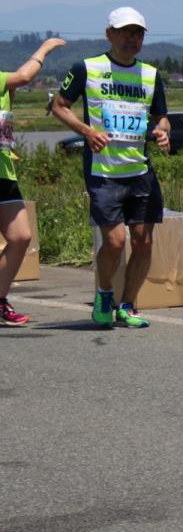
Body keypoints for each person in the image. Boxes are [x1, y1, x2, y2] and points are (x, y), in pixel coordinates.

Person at [51, 8, 170, 329]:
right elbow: (58, 107)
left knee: (144, 242)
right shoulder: (88, 68)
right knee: (115, 242)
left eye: (138, 33)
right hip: (104, 172)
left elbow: (161, 116)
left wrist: (162, 131)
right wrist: (87, 131)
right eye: (125, 32)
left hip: (140, 170)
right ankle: (104, 294)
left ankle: (128, 305)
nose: (132, 39)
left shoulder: (150, 74)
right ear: (110, 34)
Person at [1, 37, 67, 326]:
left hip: (3, 173)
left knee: (21, 236)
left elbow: (19, 81)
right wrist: (45, 48)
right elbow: (25, 75)